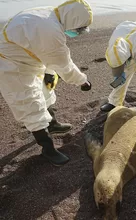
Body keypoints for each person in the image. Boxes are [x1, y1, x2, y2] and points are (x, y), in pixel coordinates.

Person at [0, 0, 93, 166]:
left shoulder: (51, 15)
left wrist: (49, 71)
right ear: (73, 21)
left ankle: (52, 124)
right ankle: (48, 148)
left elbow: (43, 50)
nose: (76, 33)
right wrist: (83, 81)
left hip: (30, 58)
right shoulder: (50, 30)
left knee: (46, 91)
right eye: (78, 30)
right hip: (12, 66)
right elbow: (64, 64)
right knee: (30, 103)